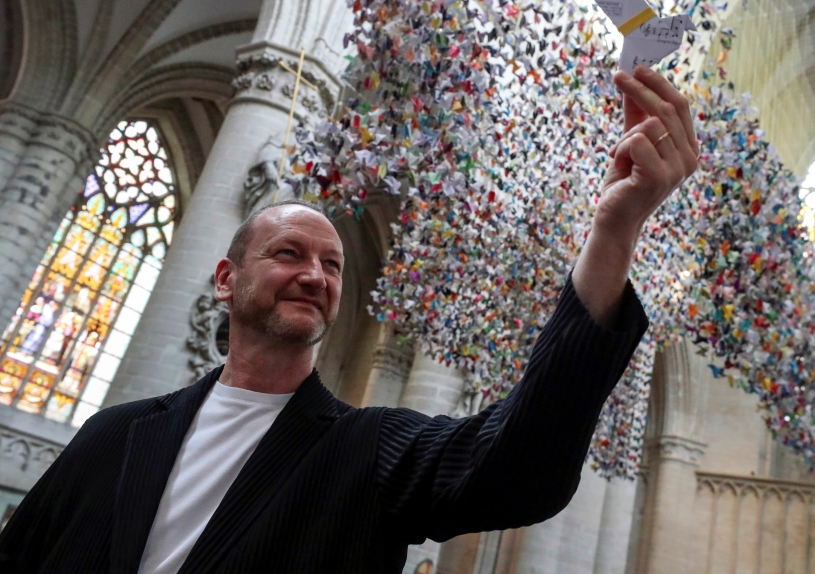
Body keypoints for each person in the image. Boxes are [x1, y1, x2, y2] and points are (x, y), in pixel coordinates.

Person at [0, 66, 699, 573]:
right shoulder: (116, 435)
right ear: (224, 279)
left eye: (333, 266)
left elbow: (521, 466)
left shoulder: (366, 448)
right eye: (288, 254)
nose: (315, 274)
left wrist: (615, 229)